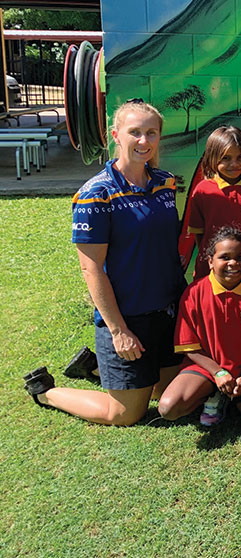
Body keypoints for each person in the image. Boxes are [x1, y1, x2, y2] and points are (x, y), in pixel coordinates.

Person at [24, 100, 186, 426]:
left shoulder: (166, 183)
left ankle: (96, 368)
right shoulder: (95, 194)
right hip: (128, 318)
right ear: (116, 135)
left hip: (167, 313)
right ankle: (46, 391)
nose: (144, 141)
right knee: (125, 414)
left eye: (151, 133)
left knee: (168, 395)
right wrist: (118, 331)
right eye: (135, 132)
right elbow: (91, 268)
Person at [157, 227, 241, 433]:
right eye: (225, 257)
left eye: (240, 257)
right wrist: (218, 372)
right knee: (168, 408)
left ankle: (232, 395)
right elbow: (189, 347)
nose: (233, 263)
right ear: (210, 261)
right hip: (207, 369)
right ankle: (212, 393)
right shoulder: (194, 293)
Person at [184, 125, 241, 282]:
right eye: (226, 158)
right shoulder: (203, 190)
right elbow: (199, 233)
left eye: (240, 157)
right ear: (212, 158)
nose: (234, 164)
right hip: (211, 270)